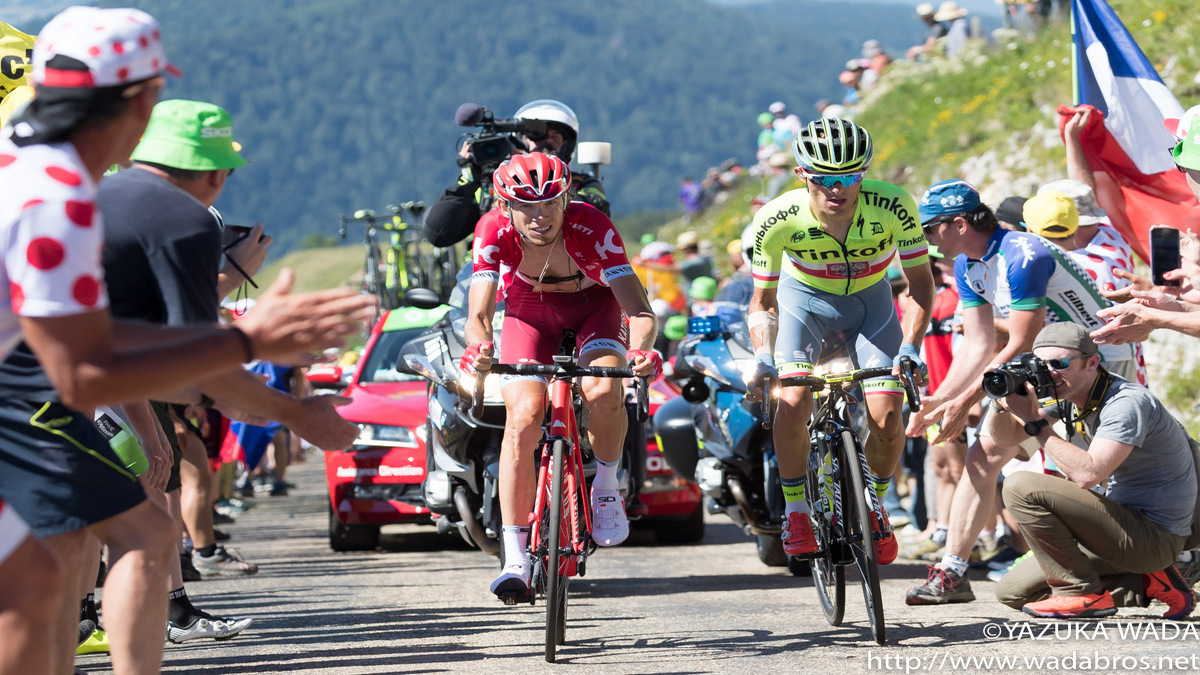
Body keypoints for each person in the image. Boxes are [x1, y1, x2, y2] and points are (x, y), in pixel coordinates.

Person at [0, 8, 372, 673]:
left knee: (83, 551)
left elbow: (98, 337)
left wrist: (240, 351)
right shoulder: (56, 196)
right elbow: (84, 371)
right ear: (142, 100)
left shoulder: (33, 166)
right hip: (20, 395)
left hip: (20, 386)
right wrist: (247, 348)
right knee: (50, 572)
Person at [905, 179, 1137, 604]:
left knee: (1102, 475)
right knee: (984, 454)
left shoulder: (1023, 253)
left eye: (928, 229)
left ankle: (1150, 564)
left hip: (1097, 362)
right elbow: (978, 345)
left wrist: (964, 401)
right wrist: (940, 399)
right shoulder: (965, 263)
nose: (926, 239)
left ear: (957, 224)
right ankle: (952, 571)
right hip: (1044, 365)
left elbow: (1020, 341)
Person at [459, 152, 659, 599]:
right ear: (504, 205)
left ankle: (607, 487)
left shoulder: (593, 228)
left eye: (551, 201)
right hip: (529, 315)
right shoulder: (492, 230)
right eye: (525, 205)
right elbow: (480, 314)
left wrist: (642, 350)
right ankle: (515, 557)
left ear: (566, 197)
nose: (540, 215)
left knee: (603, 386)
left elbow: (639, 311)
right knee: (525, 415)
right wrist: (480, 346)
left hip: (596, 309)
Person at [746, 117, 935, 563]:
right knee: (792, 400)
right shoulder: (776, 218)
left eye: (850, 176)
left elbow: (922, 285)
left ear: (864, 173)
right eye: (825, 178)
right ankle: (795, 512)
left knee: (889, 420)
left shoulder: (894, 205)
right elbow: (763, 301)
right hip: (802, 303)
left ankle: (874, 506)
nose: (838, 188)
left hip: (872, 305)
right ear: (802, 175)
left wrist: (911, 345)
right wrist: (763, 357)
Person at [988, 323, 1195, 619]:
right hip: (1118, 528)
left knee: (1021, 486)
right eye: (1040, 366)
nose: (1049, 373)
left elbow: (1088, 475)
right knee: (1013, 592)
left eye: (1059, 364)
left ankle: (1081, 594)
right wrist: (1002, 403)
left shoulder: (1125, 402)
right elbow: (1005, 439)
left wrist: (1035, 421)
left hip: (1153, 535)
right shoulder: (1071, 394)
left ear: (1092, 363)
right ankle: (1149, 581)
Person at [424, 98, 607, 248]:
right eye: (536, 136)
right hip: (491, 271)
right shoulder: (492, 183)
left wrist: (552, 184)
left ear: (567, 146)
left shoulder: (581, 183)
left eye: (555, 137)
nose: (546, 143)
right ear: (520, 142)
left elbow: (597, 217)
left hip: (563, 275)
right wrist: (470, 179)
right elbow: (439, 234)